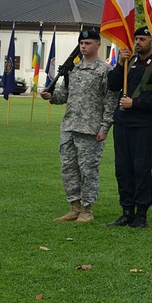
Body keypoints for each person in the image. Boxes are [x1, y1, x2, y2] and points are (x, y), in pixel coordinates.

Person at [40, 28, 117, 223]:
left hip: (90, 129)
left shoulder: (104, 70)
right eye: (81, 43)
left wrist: (104, 127)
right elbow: (63, 96)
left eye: (88, 43)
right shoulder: (72, 69)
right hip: (69, 126)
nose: (84, 46)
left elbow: (110, 101)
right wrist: (50, 96)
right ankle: (74, 206)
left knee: (88, 170)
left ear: (98, 45)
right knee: (68, 168)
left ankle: (87, 210)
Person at [106, 26, 152, 229]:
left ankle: (141, 213)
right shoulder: (128, 62)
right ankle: (127, 211)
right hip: (123, 123)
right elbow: (113, 85)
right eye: (137, 39)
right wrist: (120, 64)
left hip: (143, 125)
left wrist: (135, 103)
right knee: (122, 168)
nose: (138, 42)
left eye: (143, 39)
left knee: (141, 168)